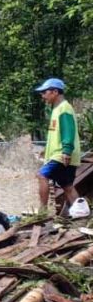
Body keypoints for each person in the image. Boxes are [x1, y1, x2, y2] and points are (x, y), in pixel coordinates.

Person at [34, 78, 85, 216]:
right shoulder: (57, 109)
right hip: (60, 153)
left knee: (41, 175)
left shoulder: (64, 109)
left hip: (62, 154)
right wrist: (47, 149)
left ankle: (42, 212)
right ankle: (82, 214)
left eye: (45, 92)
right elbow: (56, 134)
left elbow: (68, 131)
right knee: (67, 186)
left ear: (55, 92)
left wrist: (67, 150)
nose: (42, 95)